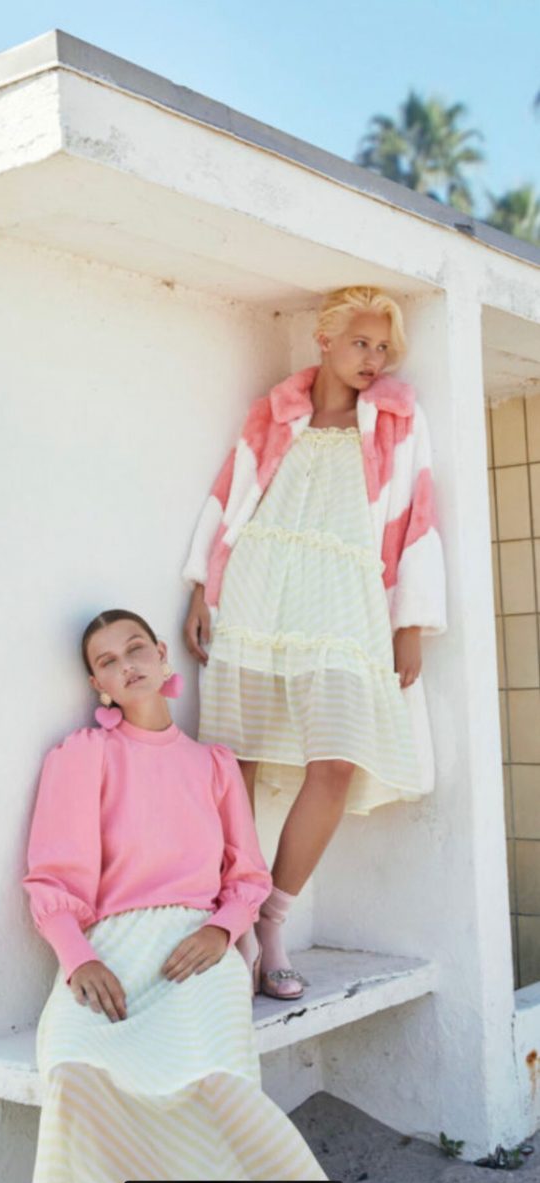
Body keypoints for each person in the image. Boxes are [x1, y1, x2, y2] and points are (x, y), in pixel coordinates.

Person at [183, 285, 447, 1000]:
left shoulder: (397, 416)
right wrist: (202, 587)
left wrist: (410, 625)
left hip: (345, 598)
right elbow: (230, 494)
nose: (373, 358)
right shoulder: (275, 411)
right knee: (234, 758)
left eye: (383, 348)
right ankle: (236, 920)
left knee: (333, 764)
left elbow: (418, 517)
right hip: (258, 587)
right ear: (324, 341)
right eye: (361, 342)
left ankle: (273, 919)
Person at [23, 608, 340, 1183]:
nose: (127, 665)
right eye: (108, 661)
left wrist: (221, 932)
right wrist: (78, 957)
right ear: (99, 685)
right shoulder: (84, 754)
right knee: (74, 1071)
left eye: (136, 648)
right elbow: (51, 875)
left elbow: (248, 876)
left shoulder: (213, 763)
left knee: (218, 1079)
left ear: (162, 655)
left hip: (200, 950)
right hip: (110, 952)